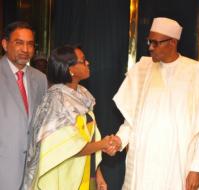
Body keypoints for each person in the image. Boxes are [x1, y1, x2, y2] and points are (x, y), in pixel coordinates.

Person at [111, 17, 199, 190]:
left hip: (179, 162)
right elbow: (131, 119)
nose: (150, 47)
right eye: (149, 41)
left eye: (156, 43)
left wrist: (196, 169)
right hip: (144, 161)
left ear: (173, 42)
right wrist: (119, 139)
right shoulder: (141, 70)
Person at [22, 45, 114, 190]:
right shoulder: (56, 101)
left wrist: (97, 174)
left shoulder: (83, 95)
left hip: (85, 174)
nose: (87, 63)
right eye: (83, 61)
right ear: (70, 69)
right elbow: (68, 147)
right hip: (63, 177)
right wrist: (103, 144)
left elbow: (89, 138)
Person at [0, 21, 48, 190]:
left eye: (30, 44)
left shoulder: (40, 79)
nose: (25, 49)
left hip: (32, 172)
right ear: (5, 44)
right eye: (19, 43)